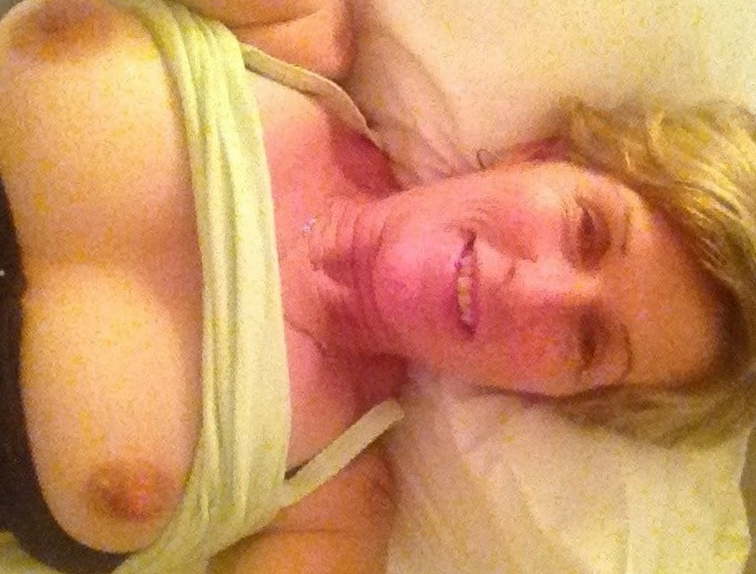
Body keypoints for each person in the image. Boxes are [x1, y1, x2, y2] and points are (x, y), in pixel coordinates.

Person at [0, 0, 753, 573]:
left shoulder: (330, 509)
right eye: (587, 229)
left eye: (587, 343)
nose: (533, 289)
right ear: (539, 154)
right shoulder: (296, 27)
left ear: (557, 398)